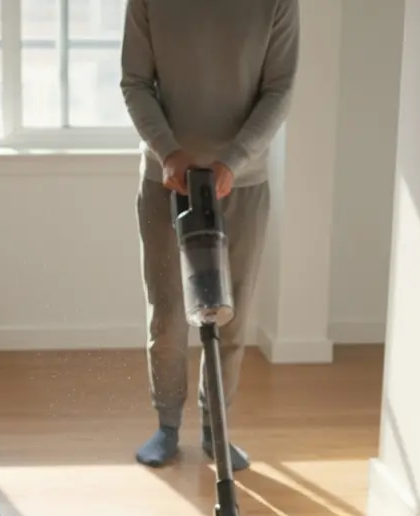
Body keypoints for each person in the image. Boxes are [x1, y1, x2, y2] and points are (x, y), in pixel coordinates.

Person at [120, 0, 300, 469]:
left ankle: (214, 431)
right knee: (168, 314)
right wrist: (168, 152)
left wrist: (235, 159)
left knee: (231, 315)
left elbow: (279, 90)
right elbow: (135, 83)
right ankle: (166, 426)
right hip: (166, 179)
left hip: (242, 182)